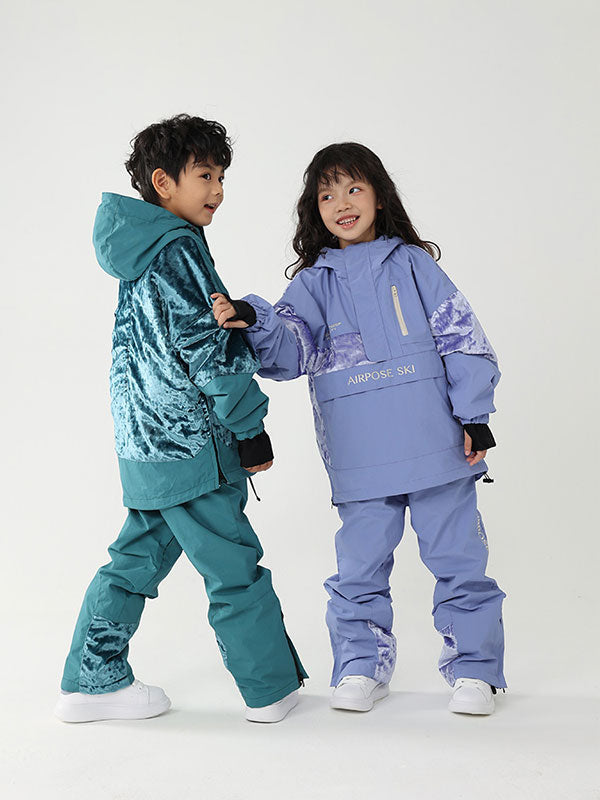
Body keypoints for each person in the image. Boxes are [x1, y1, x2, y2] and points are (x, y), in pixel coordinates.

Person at [212, 142, 506, 715]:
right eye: (327, 195)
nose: (342, 203)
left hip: (437, 445)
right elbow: (291, 350)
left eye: (353, 188)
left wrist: (474, 415)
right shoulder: (314, 283)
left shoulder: (414, 264)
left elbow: (460, 336)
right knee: (359, 568)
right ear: (313, 210)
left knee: (459, 561)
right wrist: (253, 317)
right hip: (360, 454)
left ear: (379, 196)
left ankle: (475, 670)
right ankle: (360, 666)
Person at [55, 114, 307, 725]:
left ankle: (92, 681)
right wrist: (249, 430)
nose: (217, 190)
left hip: (145, 443)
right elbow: (208, 349)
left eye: (221, 177)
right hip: (191, 444)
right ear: (163, 183)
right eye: (204, 176)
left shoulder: (140, 250)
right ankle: (270, 691)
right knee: (233, 566)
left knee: (134, 560)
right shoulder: (178, 248)